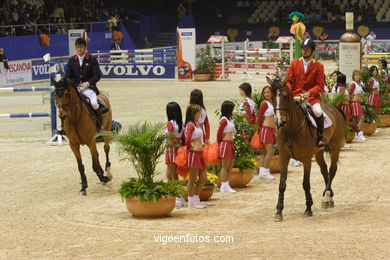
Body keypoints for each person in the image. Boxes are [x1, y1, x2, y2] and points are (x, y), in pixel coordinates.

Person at [286, 38, 326, 147]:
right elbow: (288, 81)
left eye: (307, 49)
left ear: (312, 51)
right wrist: (291, 93)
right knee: (282, 112)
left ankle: (320, 136)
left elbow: (320, 85)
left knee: (318, 112)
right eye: (303, 48)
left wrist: (309, 93)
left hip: (311, 97)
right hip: (295, 95)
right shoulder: (294, 63)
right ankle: (280, 137)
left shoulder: (318, 66)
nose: (304, 51)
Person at [65, 37, 105, 131]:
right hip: (75, 89)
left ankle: (100, 125)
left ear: (85, 47)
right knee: (66, 104)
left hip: (89, 89)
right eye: (77, 47)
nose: (79, 49)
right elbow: (68, 76)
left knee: (94, 103)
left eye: (81, 47)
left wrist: (88, 83)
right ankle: (64, 127)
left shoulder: (92, 59)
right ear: (75, 48)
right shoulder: (71, 60)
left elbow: (97, 75)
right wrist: (73, 85)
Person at [185, 104, 207, 209]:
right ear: (193, 114)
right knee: (192, 178)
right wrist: (191, 147)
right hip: (193, 153)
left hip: (200, 153)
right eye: (198, 112)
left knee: (203, 177)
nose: (200, 114)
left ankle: (196, 198)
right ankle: (190, 201)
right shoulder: (190, 125)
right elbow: (187, 140)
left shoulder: (197, 123)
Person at [165, 102, 185, 207]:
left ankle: (178, 198)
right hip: (178, 150)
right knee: (169, 176)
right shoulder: (181, 124)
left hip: (171, 150)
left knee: (173, 176)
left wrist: (175, 143)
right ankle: (170, 196)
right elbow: (183, 139)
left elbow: (172, 137)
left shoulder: (170, 124)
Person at [216, 100, 237, 193]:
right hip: (225, 144)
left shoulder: (229, 120)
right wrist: (220, 143)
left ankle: (227, 184)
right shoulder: (224, 120)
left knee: (230, 165)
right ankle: (223, 186)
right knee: (225, 166)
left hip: (230, 144)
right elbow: (219, 133)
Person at [257, 86, 276, 179]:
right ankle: (265, 171)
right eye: (265, 92)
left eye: (268, 92)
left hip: (271, 130)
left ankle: (262, 171)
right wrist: (258, 130)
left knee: (264, 152)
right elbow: (259, 117)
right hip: (266, 129)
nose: (267, 94)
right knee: (270, 151)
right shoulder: (264, 104)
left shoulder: (272, 103)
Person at [349, 70, 366, 141]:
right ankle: (359, 133)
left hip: (358, 102)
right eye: (356, 75)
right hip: (355, 102)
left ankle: (353, 134)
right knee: (362, 118)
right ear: (353, 76)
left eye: (358, 75)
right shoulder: (353, 84)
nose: (357, 76)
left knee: (355, 119)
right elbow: (349, 94)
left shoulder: (358, 84)